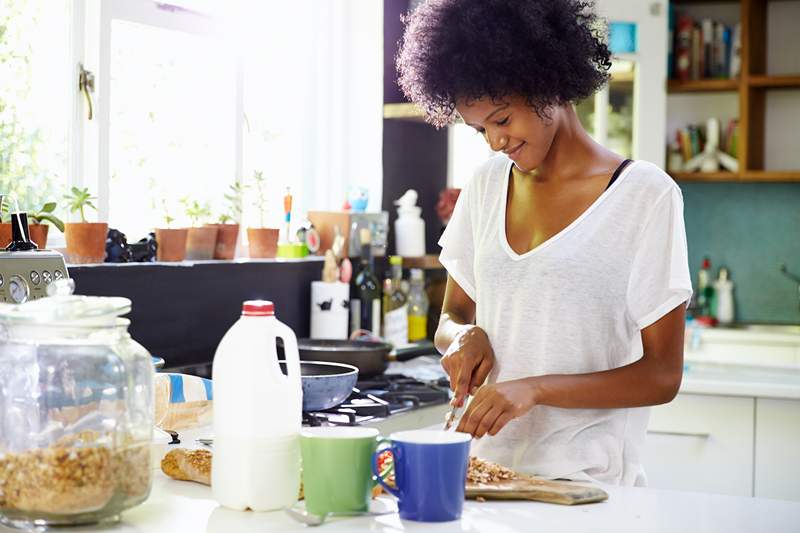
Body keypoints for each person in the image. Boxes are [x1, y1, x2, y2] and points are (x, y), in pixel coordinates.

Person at [396, 0, 692, 486]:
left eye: (502, 119)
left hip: (585, 483)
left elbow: (662, 376)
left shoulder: (645, 196)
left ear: (547, 82)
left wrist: (532, 389)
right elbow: (452, 318)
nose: (495, 141)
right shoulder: (486, 187)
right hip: (485, 474)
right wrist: (461, 338)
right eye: (480, 130)